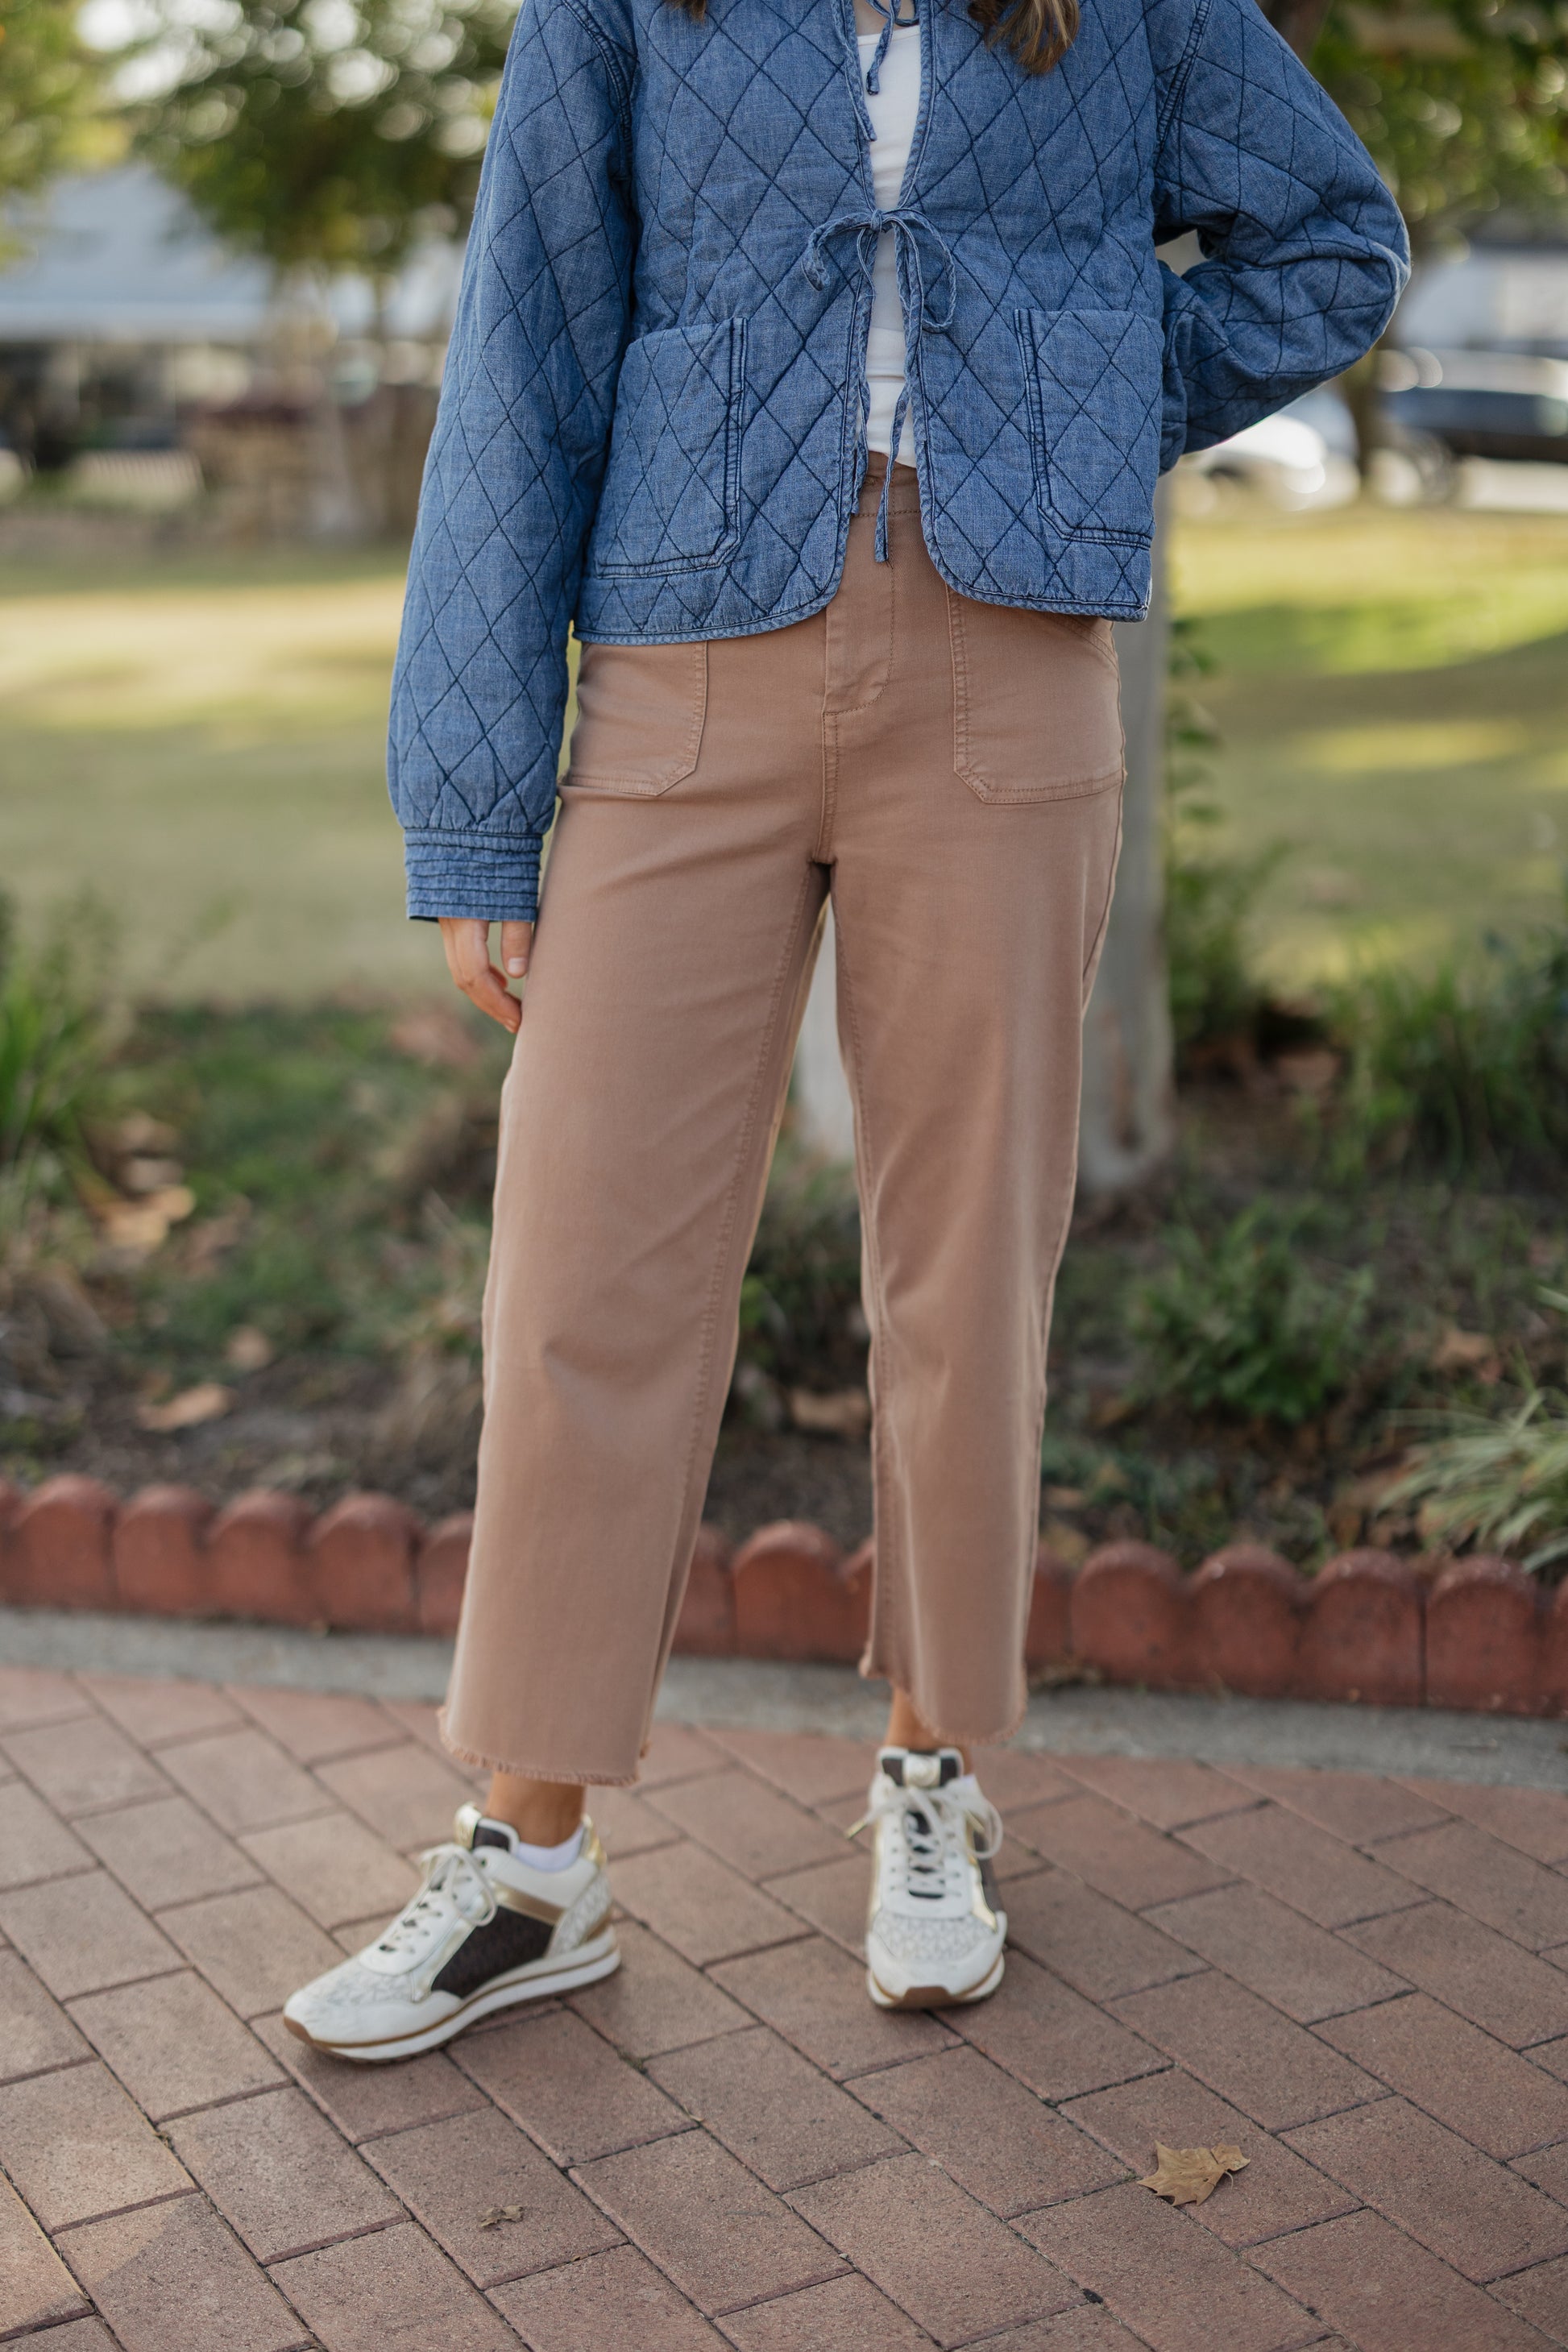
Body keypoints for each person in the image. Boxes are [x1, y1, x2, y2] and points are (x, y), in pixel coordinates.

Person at [283, 0, 1406, 2061]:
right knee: (586, 1250)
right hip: (680, 673)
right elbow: (523, 342)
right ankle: (527, 1856)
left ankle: (930, 1777)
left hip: (1003, 674)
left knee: (965, 1259)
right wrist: (469, 802)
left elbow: (1333, 239)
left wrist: (1070, 391)